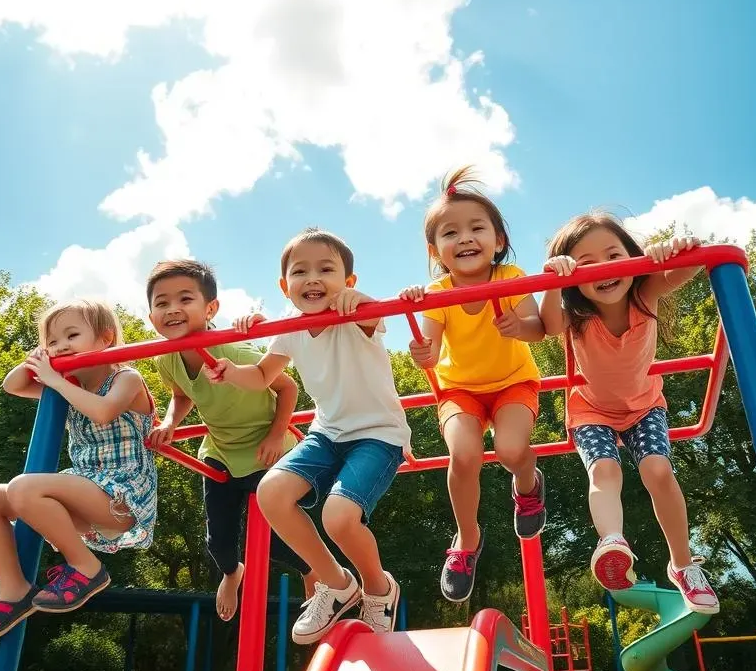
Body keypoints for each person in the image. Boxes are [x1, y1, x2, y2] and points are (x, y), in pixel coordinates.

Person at [213, 228, 411, 645]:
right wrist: (230, 371)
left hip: (378, 434)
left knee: (339, 516)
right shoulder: (288, 328)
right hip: (327, 432)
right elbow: (264, 376)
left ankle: (378, 588)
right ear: (285, 287)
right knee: (271, 493)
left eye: (326, 269)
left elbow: (378, 315)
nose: (313, 279)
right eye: (300, 272)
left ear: (348, 281)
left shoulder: (357, 314)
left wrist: (361, 303)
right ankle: (337, 583)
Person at [540, 213, 719, 614]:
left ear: (631, 257)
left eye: (613, 255)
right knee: (605, 471)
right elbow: (549, 325)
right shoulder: (577, 313)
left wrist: (674, 249)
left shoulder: (646, 292)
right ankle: (611, 541)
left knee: (658, 470)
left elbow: (693, 264)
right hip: (592, 409)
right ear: (574, 279)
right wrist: (553, 281)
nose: (604, 269)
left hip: (643, 406)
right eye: (584, 264)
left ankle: (683, 565)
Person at [0, 300, 157, 649]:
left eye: (72, 335)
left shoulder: (126, 378)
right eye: (52, 341)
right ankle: (12, 590)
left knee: (23, 488)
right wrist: (41, 361)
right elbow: (13, 384)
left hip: (122, 496)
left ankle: (85, 567)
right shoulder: (63, 386)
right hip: (82, 492)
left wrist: (54, 378)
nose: (61, 346)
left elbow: (102, 412)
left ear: (106, 338)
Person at [401, 167, 547, 605]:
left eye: (476, 228)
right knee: (463, 456)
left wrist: (518, 326)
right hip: (458, 390)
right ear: (436, 250)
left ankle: (528, 484)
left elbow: (540, 328)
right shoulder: (438, 291)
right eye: (451, 232)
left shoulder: (511, 277)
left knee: (509, 451)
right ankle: (467, 539)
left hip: (512, 383)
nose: (464, 238)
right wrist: (423, 354)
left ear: (498, 240)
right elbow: (430, 345)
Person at [145, 258, 315, 621]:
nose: (172, 309)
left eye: (185, 299)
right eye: (161, 303)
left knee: (273, 536)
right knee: (218, 542)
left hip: (264, 447)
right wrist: (171, 423)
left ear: (210, 309)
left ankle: (312, 568)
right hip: (220, 449)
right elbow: (182, 394)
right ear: (150, 316)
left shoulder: (234, 350)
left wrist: (275, 436)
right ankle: (230, 573)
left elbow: (287, 388)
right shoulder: (166, 359)